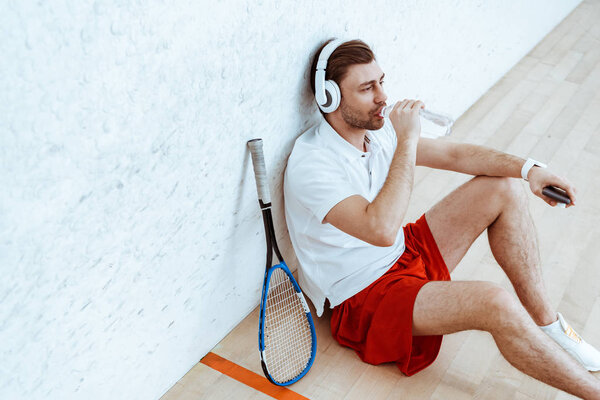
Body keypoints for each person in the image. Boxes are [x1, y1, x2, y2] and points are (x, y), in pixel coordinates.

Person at [283, 38, 600, 398]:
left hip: (404, 256)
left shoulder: (377, 131)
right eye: (367, 88)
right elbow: (382, 230)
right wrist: (406, 142)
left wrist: (530, 169)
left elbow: (455, 155)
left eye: (381, 82)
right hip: (364, 297)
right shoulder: (312, 164)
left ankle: (549, 326)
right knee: (494, 302)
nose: (383, 97)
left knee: (505, 188)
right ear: (330, 98)